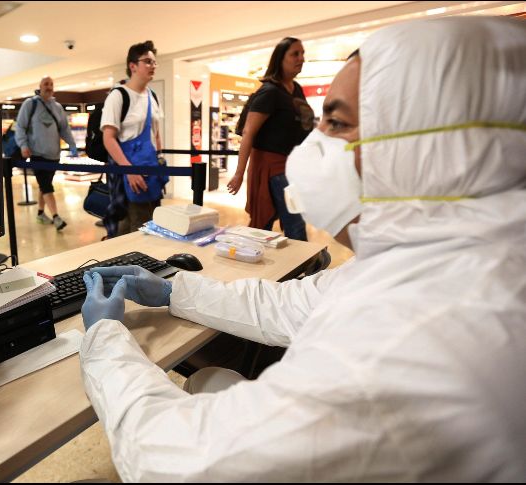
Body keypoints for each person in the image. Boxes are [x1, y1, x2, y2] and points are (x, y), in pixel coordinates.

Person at [77, 17, 526, 481]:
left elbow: (177, 463)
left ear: (426, 144)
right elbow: (295, 302)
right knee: (210, 381)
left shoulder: (416, 341)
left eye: (337, 123)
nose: (313, 149)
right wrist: (175, 290)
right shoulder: (452, 263)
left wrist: (105, 341)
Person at [227, 37, 314, 240]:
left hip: (290, 165)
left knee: (266, 223)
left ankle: (261, 260)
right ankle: (305, 269)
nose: (301, 58)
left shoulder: (296, 89)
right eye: (295, 54)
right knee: (295, 222)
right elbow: (249, 132)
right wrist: (239, 174)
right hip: (271, 167)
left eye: (303, 54)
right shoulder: (270, 92)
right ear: (280, 58)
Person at [101, 41, 165, 238]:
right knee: (137, 226)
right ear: (132, 66)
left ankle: (137, 264)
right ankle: (128, 265)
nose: (153, 66)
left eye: (154, 62)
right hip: (128, 169)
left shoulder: (152, 96)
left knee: (151, 220)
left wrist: (159, 158)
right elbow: (108, 138)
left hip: (149, 167)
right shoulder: (118, 96)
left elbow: (156, 132)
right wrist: (129, 170)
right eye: (147, 61)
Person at [15, 76, 77, 231]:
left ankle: (41, 213)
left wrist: (72, 144)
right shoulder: (30, 104)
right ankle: (56, 217)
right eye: (45, 84)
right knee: (47, 187)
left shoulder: (57, 107)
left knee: (45, 186)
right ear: (40, 86)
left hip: (54, 155)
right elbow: (20, 126)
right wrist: (23, 145)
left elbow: (64, 128)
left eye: (51, 84)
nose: (49, 87)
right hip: (37, 154)